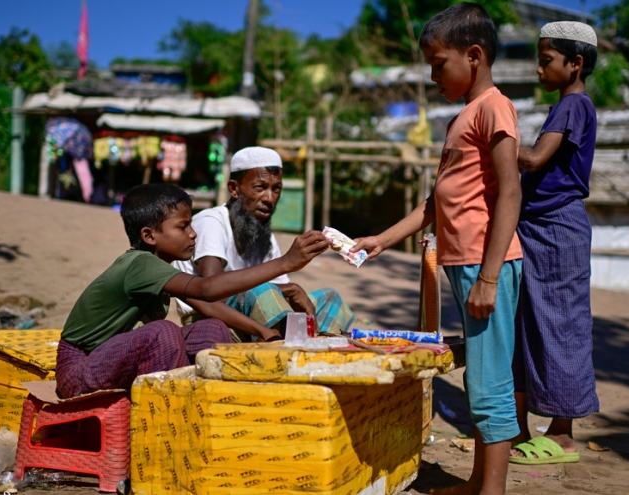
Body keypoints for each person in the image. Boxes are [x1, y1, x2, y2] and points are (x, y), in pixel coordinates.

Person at [352, 5, 523, 494]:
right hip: (465, 264)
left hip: (487, 263)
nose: (432, 76)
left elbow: (510, 192)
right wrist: (382, 240)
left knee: (490, 380)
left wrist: (490, 277)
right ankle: (476, 483)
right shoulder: (461, 118)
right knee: (481, 375)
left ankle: (490, 491)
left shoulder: (494, 107)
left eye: (437, 64)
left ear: (474, 56)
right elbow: (436, 201)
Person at [56, 184, 329, 398]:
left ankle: (203, 399)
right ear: (150, 235)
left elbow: (205, 303)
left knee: (211, 329)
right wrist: (285, 263)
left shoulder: (160, 266)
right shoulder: (139, 265)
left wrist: (263, 332)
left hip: (112, 358)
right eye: (183, 226)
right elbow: (207, 289)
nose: (193, 234)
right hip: (80, 367)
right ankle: (172, 408)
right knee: (163, 333)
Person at [510, 21, 600, 466]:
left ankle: (563, 435)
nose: (539, 70)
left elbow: (534, 159)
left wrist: (493, 138)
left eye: (546, 61)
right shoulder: (564, 107)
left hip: (558, 229)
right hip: (537, 227)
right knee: (529, 325)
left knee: (561, 326)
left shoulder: (573, 106)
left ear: (575, 63)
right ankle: (522, 427)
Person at [172, 146, 355, 342]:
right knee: (264, 290)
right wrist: (288, 286)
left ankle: (320, 348)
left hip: (256, 315)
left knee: (329, 298)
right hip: (211, 321)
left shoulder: (263, 234)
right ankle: (284, 352)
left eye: (276, 189)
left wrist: (292, 294)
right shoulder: (212, 222)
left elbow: (282, 294)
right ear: (234, 188)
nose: (269, 198)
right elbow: (211, 293)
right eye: (260, 188)